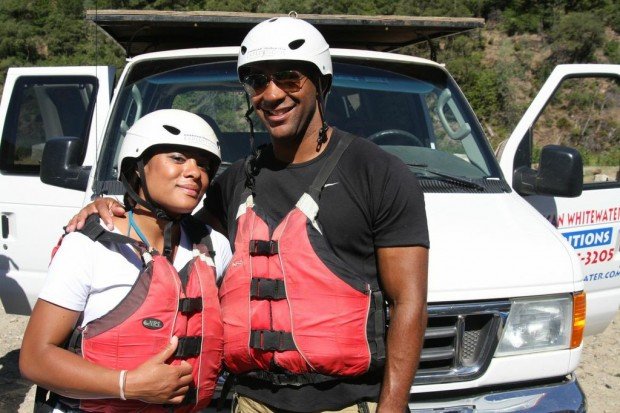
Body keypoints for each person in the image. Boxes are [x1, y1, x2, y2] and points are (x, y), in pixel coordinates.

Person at [67, 16, 429, 413]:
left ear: (321, 83)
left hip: (349, 401)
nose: (271, 95)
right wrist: (116, 208)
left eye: (289, 77)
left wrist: (392, 407)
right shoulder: (235, 180)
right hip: (249, 401)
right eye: (258, 81)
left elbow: (408, 302)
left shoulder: (379, 173)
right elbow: (171, 238)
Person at [21, 109, 232, 412]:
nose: (194, 172)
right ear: (137, 168)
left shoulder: (213, 247)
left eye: (204, 164)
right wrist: (127, 384)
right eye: (177, 158)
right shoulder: (89, 245)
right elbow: (34, 357)